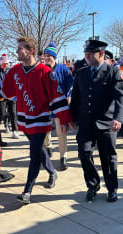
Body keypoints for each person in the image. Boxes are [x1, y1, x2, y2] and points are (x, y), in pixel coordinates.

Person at [1, 36, 72, 204]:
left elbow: (57, 97)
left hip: (41, 120)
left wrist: (64, 119)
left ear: (30, 51)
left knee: (34, 154)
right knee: (39, 150)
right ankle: (52, 172)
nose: (17, 51)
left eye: (20, 49)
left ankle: (27, 191)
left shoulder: (45, 72)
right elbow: (6, 93)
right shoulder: (14, 71)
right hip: (24, 121)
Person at [70, 39, 123, 202]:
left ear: (101, 54)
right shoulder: (81, 73)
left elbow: (121, 98)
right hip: (85, 123)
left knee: (108, 158)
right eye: (85, 54)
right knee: (84, 153)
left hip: (106, 123)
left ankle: (112, 188)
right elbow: (76, 97)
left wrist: (118, 118)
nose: (86, 57)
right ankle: (93, 185)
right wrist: (72, 117)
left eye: (89, 54)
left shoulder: (113, 72)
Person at [43, 42, 74, 170]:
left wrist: (69, 95)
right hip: (46, 106)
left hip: (60, 106)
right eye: (45, 56)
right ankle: (48, 146)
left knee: (62, 133)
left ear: (54, 57)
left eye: (49, 56)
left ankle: (63, 157)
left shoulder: (63, 69)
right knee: (45, 131)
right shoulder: (42, 70)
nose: (46, 58)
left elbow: (71, 85)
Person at [0, 53, 19, 139]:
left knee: (13, 113)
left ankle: (14, 131)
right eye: (3, 63)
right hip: (2, 96)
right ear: (1, 64)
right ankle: (6, 124)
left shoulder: (11, 71)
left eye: (6, 63)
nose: (5, 65)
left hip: (12, 95)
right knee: (2, 113)